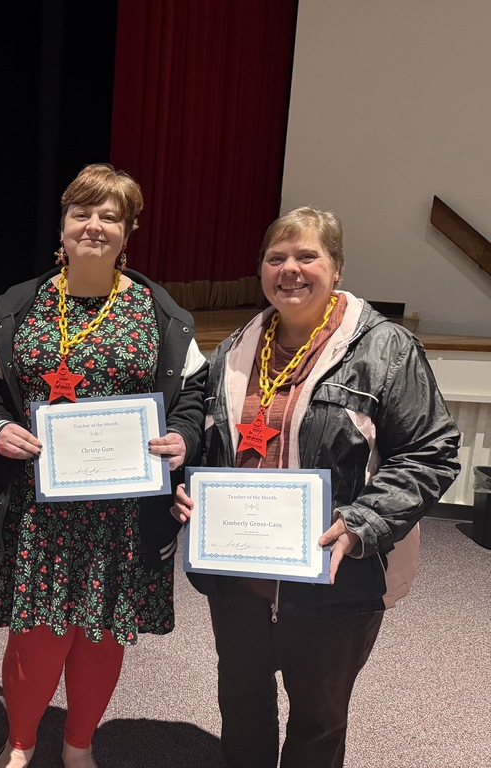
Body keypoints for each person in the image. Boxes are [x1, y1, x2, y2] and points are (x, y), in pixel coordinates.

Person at [172, 206, 461, 768]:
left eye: (308, 256)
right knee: (242, 706)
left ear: (337, 267)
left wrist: (360, 523)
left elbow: (431, 451)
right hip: (240, 580)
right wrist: (189, 487)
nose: (290, 269)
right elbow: (209, 444)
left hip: (337, 578)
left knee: (319, 720)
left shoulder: (386, 350)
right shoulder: (231, 352)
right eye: (276, 257)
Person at [0, 163, 207, 768]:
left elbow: (194, 393)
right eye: (82, 212)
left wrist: (181, 436)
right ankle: (20, 742)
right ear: (63, 225)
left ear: (128, 231)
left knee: (101, 630)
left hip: (124, 511)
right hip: (38, 505)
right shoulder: (17, 307)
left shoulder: (160, 313)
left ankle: (79, 745)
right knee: (36, 630)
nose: (94, 225)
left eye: (110, 216)